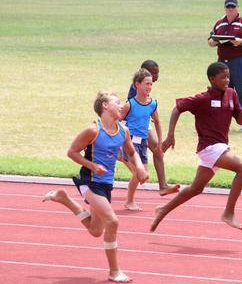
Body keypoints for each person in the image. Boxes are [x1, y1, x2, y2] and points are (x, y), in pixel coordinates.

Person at [43, 92, 148, 283]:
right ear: (105, 106)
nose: (122, 105)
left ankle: (64, 199)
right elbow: (72, 152)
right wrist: (92, 166)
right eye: (117, 102)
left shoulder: (122, 131)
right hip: (89, 181)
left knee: (95, 230)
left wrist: (139, 168)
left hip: (106, 184)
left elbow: (132, 153)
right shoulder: (93, 130)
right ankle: (114, 271)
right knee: (113, 222)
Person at [150, 62, 242, 233]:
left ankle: (163, 209)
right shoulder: (203, 99)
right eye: (223, 77)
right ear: (212, 79)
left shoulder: (231, 94)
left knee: (196, 189)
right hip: (210, 148)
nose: (227, 80)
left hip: (220, 147)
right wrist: (170, 135)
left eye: (228, 76)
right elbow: (177, 108)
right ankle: (228, 212)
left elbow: (241, 121)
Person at [125, 60, 180, 196]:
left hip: (144, 122)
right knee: (156, 150)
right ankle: (158, 185)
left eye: (157, 73)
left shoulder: (145, 86)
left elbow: (155, 116)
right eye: (153, 73)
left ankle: (162, 186)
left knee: (158, 150)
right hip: (134, 125)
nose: (156, 76)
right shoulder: (136, 89)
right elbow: (133, 112)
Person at [208, 0, 242, 132]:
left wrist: (240, 41)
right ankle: (220, 122)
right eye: (228, 7)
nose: (230, 9)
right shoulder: (219, 23)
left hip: (239, 61)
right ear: (225, 8)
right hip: (222, 62)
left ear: (237, 8)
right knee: (220, 92)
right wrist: (216, 41)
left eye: (233, 7)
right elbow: (210, 41)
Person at [121, 68, 165, 210]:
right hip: (130, 142)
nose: (149, 87)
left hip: (143, 142)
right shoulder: (130, 105)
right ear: (137, 85)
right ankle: (129, 201)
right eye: (146, 83)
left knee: (143, 176)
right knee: (138, 173)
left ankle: (130, 200)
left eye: (151, 84)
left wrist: (159, 143)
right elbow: (117, 121)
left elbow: (157, 122)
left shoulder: (153, 104)